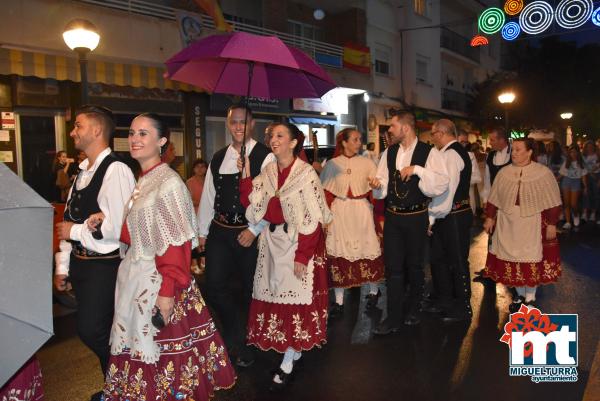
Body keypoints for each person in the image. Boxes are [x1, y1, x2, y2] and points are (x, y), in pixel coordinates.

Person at [95, 113, 236, 400]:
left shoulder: (168, 183)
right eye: (132, 133)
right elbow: (133, 235)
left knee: (164, 362)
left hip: (159, 283)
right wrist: (104, 221)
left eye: (143, 134)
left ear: (161, 141)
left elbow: (176, 245)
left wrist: (167, 293)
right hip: (136, 279)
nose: (135, 139)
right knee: (143, 357)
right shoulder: (144, 180)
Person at [238, 123, 332, 390]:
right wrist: (245, 174)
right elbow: (254, 204)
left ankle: (289, 359)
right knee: (276, 296)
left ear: (293, 143)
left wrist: (303, 256)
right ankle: (293, 350)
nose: (273, 140)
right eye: (272, 136)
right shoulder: (268, 171)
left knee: (294, 303)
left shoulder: (305, 174)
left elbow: (312, 218)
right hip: (272, 242)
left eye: (280, 136)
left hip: (296, 243)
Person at [53, 105, 135, 401]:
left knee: (94, 331)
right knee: (99, 332)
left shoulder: (116, 170)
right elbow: (68, 221)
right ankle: (118, 388)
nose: (73, 132)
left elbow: (115, 230)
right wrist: (63, 265)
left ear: (97, 130)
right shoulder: (81, 172)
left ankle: (124, 387)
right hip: (83, 265)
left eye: (78, 126)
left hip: (105, 266)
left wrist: (75, 232)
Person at [197, 105, 273, 367]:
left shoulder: (265, 157)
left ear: (252, 124)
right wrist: (202, 233)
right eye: (234, 122)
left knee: (249, 290)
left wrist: (254, 230)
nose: (239, 127)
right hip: (220, 230)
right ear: (228, 125)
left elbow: (272, 200)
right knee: (215, 288)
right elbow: (209, 196)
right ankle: (235, 338)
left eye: (244, 122)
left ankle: (249, 339)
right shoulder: (218, 157)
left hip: (248, 232)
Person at [369, 112, 449, 333]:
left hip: (416, 217)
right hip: (394, 217)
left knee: (415, 267)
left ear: (405, 128)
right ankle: (392, 318)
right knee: (393, 269)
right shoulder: (389, 152)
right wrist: (377, 185)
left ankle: (414, 309)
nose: (390, 130)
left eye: (393, 126)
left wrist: (417, 170)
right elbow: (383, 184)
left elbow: (442, 183)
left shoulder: (429, 152)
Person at [481, 138, 562, 312]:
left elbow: (553, 200)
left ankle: (530, 297)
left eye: (518, 150)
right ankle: (519, 294)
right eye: (514, 150)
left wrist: (552, 224)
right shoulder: (504, 173)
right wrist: (490, 217)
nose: (514, 153)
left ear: (530, 151)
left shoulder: (543, 173)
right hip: (506, 222)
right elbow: (494, 197)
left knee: (529, 257)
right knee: (509, 257)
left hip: (530, 222)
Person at [320, 129, 384, 318]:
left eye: (359, 139)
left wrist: (376, 187)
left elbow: (376, 192)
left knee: (368, 248)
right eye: (355, 139)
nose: (359, 142)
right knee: (339, 252)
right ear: (344, 142)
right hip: (339, 212)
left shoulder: (367, 162)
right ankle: (339, 301)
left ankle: (373, 293)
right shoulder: (332, 165)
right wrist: (325, 218)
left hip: (362, 211)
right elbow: (325, 194)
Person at [425, 119, 473, 323]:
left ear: (442, 133)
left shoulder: (452, 154)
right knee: (438, 259)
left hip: (454, 215)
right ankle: (445, 300)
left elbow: (448, 191)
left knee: (457, 260)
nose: (431, 137)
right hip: (448, 215)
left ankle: (463, 306)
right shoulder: (447, 153)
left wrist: (433, 217)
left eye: (433, 133)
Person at [473, 126, 511, 281]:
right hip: (495, 201)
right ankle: (490, 269)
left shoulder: (513, 155)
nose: (491, 142)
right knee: (492, 235)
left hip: (510, 203)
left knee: (509, 237)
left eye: (493, 139)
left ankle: (507, 270)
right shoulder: (490, 156)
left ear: (502, 140)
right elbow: (487, 181)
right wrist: (485, 201)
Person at [559, 145, 588, 229]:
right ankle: (568, 222)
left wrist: (585, 187)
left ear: (578, 153)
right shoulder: (566, 162)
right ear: (569, 153)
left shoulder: (581, 162)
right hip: (566, 181)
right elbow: (561, 174)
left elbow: (584, 176)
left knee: (574, 204)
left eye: (575, 152)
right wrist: (553, 179)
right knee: (566, 203)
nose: (573, 154)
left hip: (576, 182)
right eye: (571, 152)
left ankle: (575, 215)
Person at [581, 141, 599, 223]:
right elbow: (582, 167)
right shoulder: (583, 156)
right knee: (586, 194)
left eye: (591, 146)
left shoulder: (598, 155)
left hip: (597, 176)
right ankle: (585, 212)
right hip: (586, 176)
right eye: (588, 146)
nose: (590, 148)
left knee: (596, 194)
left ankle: (593, 213)